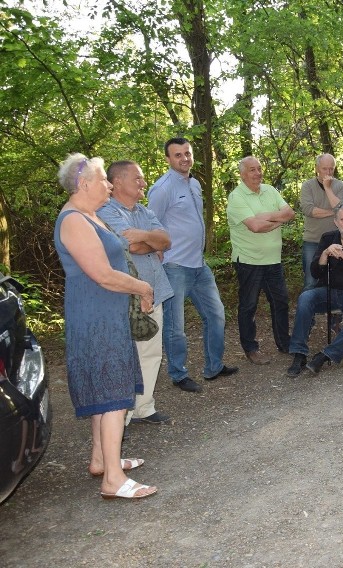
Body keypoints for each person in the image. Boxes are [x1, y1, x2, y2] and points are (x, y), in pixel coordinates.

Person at [54, 153, 157, 499]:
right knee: (113, 394)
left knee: (105, 391)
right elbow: (101, 275)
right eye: (103, 180)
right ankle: (112, 480)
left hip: (108, 316)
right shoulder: (72, 221)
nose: (109, 185)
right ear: (84, 184)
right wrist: (142, 287)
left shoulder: (90, 216)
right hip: (95, 320)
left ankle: (101, 459)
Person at [147, 137, 238, 392]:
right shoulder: (162, 188)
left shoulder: (195, 184)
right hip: (174, 266)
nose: (184, 158)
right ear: (167, 159)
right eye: (178, 155)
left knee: (216, 315)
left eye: (187, 153)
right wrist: (156, 251)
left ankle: (214, 366)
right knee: (176, 327)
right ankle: (178, 374)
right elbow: (149, 222)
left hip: (199, 266)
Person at [98, 160, 174, 426]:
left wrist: (145, 237)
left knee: (152, 350)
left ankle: (144, 407)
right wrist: (150, 241)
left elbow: (166, 240)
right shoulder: (105, 211)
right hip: (126, 295)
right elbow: (127, 246)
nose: (143, 183)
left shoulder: (144, 211)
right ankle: (123, 416)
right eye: (137, 179)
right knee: (127, 353)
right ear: (117, 182)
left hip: (155, 289)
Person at [286, 204, 343, 377]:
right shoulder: (327, 238)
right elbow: (315, 272)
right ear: (336, 222)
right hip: (328, 291)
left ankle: (325, 355)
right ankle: (299, 354)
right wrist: (325, 254)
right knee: (306, 298)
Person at [227, 156, 295, 365]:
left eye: (259, 169)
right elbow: (255, 227)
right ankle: (251, 348)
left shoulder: (270, 190)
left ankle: (284, 343)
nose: (258, 173)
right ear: (242, 174)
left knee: (281, 301)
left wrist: (266, 216)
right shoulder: (237, 197)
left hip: (273, 260)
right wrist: (277, 219)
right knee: (249, 305)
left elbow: (290, 213)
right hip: (248, 260)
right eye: (252, 170)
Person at [300, 154, 343, 288]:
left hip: (336, 240)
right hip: (312, 240)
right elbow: (309, 210)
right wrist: (334, 212)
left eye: (331, 169)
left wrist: (327, 187)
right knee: (310, 281)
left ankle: (333, 307)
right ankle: (309, 308)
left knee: (336, 279)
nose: (328, 172)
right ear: (317, 168)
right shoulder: (308, 186)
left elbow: (342, 210)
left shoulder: (340, 186)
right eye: (324, 169)